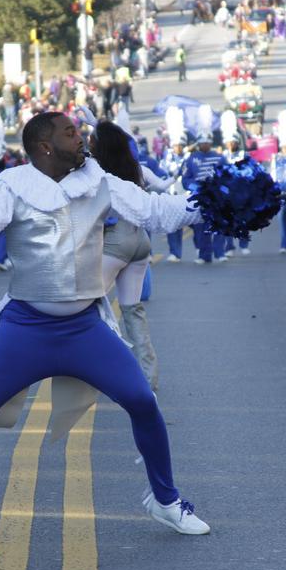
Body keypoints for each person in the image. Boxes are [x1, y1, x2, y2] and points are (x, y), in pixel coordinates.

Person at [0, 112, 211, 544]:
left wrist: (211, 203)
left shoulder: (100, 181)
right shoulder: (8, 187)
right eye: (70, 132)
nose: (80, 136)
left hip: (84, 329)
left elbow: (157, 212)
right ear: (45, 147)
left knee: (142, 400)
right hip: (24, 328)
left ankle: (167, 501)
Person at [91, 121, 160, 391]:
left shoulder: (96, 173)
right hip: (140, 241)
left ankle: (99, 372)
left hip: (115, 241)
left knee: (88, 307)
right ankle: (148, 376)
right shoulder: (133, 169)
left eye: (92, 140)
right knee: (133, 311)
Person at [181, 134, 226, 264]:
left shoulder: (220, 158)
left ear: (211, 143)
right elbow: (185, 179)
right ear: (198, 144)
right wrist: (197, 186)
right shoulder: (191, 159)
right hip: (200, 197)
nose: (205, 145)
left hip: (217, 197)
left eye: (207, 142)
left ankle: (220, 253)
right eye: (202, 143)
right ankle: (204, 255)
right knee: (201, 227)